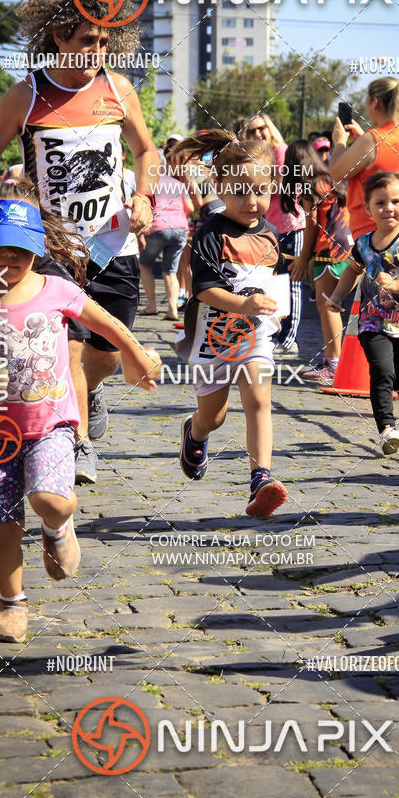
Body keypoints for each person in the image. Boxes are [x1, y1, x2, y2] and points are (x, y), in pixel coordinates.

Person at [0, 180, 161, 644]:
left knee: (51, 499)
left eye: (22, 248)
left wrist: (136, 353)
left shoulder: (57, 289)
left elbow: (106, 324)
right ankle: (11, 602)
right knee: (2, 524)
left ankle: (58, 526)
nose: (10, 259)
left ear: (37, 246)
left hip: (53, 426)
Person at [0, 0, 160, 485]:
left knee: (107, 354)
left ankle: (88, 393)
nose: (95, 52)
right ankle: (79, 444)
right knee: (68, 348)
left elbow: (146, 150)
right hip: (53, 247)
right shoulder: (25, 96)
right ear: (58, 37)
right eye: (85, 41)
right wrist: (9, 211)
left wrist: (143, 196)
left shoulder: (118, 91)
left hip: (113, 242)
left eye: (101, 42)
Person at [173, 129, 289, 519]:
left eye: (260, 190)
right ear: (220, 185)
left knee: (259, 399)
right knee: (215, 415)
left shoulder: (273, 236)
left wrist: (277, 313)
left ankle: (261, 478)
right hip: (212, 340)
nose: (252, 201)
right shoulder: (210, 233)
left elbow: (277, 283)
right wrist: (244, 303)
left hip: (255, 336)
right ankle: (196, 432)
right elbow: (203, 290)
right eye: (240, 191)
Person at [327, 172, 399, 455]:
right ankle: (387, 428)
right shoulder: (363, 243)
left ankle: (396, 388)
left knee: (398, 378)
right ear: (368, 209)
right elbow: (352, 270)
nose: (389, 207)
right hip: (371, 321)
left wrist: (398, 284)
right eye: (381, 202)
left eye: (396, 201)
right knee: (381, 370)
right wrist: (338, 296)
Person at [329, 78, 399, 260]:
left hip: (387, 232)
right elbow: (393, 155)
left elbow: (336, 172)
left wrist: (340, 142)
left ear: (375, 102)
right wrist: (363, 140)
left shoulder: (372, 140)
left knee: (383, 287)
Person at [283, 140, 352, 384]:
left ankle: (334, 362)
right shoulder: (331, 177)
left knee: (328, 305)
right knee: (332, 304)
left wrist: (303, 258)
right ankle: (331, 358)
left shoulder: (310, 186)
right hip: (348, 245)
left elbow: (312, 224)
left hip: (329, 248)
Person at [240, 114, 305, 359]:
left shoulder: (281, 151)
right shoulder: (257, 157)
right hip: (270, 228)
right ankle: (278, 333)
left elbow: (282, 185)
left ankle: (290, 340)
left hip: (291, 224)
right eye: (252, 132)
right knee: (276, 284)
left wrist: (255, 184)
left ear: (270, 128)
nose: (258, 134)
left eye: (261, 129)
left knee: (293, 285)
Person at [138, 151, 192, 320]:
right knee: (170, 271)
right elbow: (189, 207)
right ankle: (172, 310)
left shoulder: (147, 184)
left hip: (157, 228)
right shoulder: (176, 183)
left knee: (145, 265)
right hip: (179, 229)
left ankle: (152, 305)